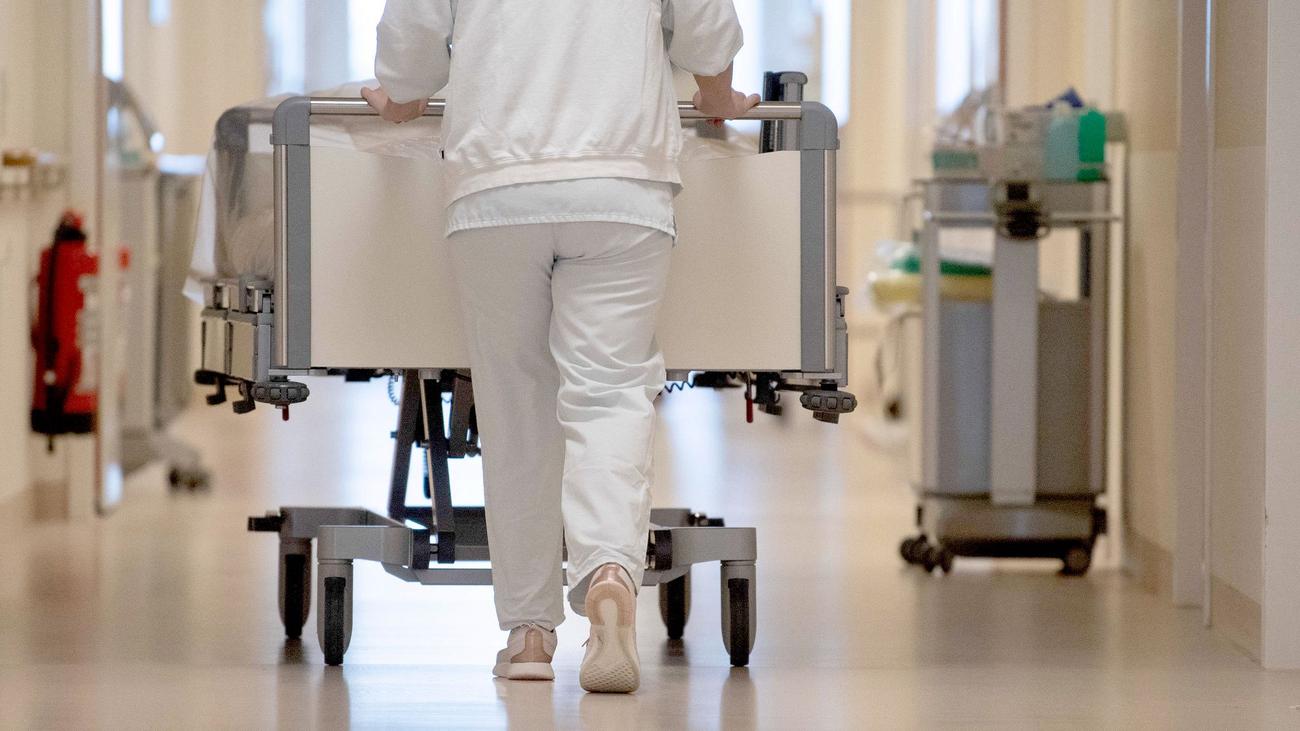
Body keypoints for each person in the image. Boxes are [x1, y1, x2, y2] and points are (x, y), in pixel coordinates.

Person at [362, 0, 756, 693]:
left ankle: (529, 634)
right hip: (622, 182)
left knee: (515, 405)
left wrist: (400, 95)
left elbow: (412, 38)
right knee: (610, 390)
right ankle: (609, 571)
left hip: (496, 186)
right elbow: (705, 26)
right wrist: (718, 93)